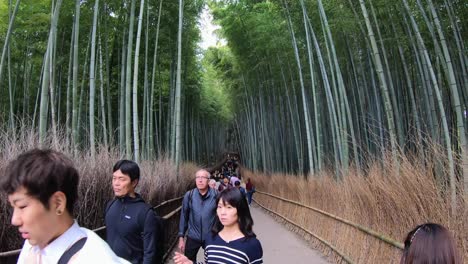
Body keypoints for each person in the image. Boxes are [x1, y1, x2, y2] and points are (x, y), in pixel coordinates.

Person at [1, 148, 129, 263]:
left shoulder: (93, 258)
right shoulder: (34, 243)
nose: (14, 220)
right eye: (13, 207)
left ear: (58, 203)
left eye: (22, 206)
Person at [174, 187, 263, 264]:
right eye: (219, 207)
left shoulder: (252, 244)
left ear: (240, 210)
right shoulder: (210, 239)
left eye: (229, 207)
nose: (222, 212)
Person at [105, 160, 159, 264]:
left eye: (122, 179)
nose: (116, 183)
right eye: (114, 178)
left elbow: (150, 253)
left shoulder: (145, 212)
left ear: (134, 182)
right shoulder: (110, 206)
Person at [178, 169, 218, 263]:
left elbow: (221, 216)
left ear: (208, 180)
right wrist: (181, 237)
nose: (200, 180)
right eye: (198, 177)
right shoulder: (189, 195)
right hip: (193, 236)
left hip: (210, 236)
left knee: (213, 261)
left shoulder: (216, 195)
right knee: (188, 261)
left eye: (203, 177)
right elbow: (184, 216)